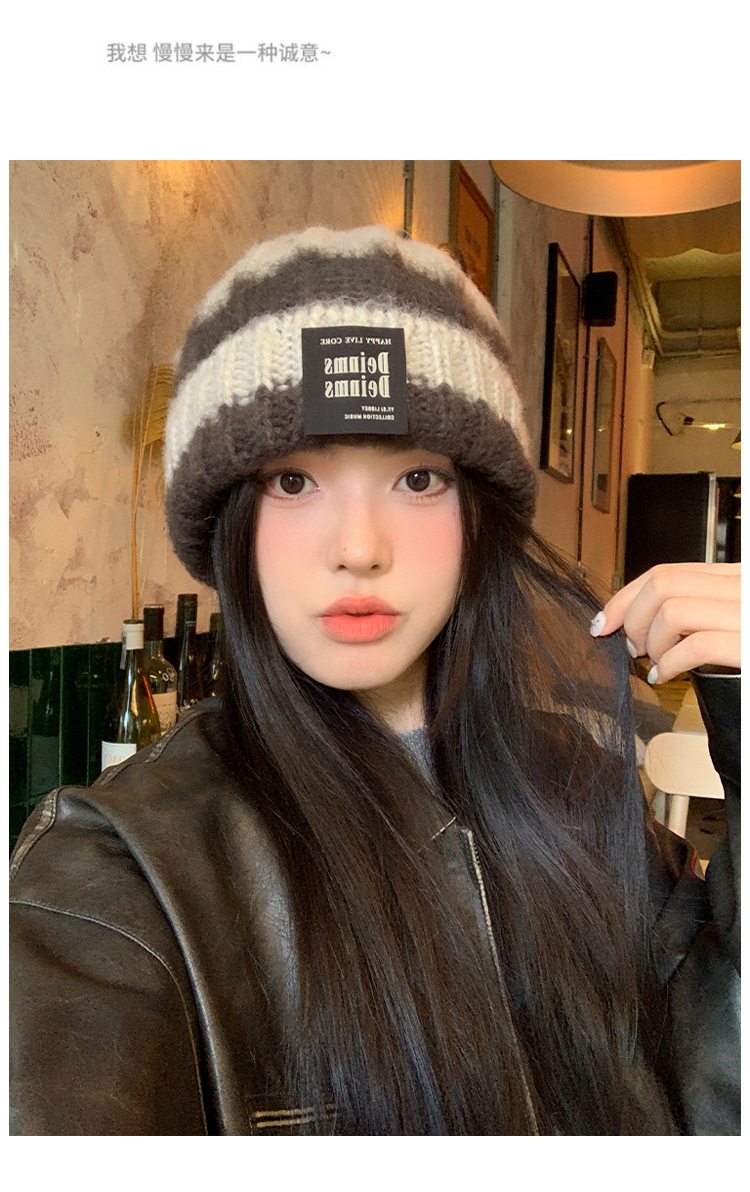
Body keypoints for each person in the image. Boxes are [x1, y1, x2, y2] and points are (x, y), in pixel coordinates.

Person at [9, 226, 740, 1136]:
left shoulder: (581, 791)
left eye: (418, 478)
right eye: (292, 482)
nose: (358, 548)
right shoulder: (116, 876)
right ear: (226, 522)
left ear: (480, 519)